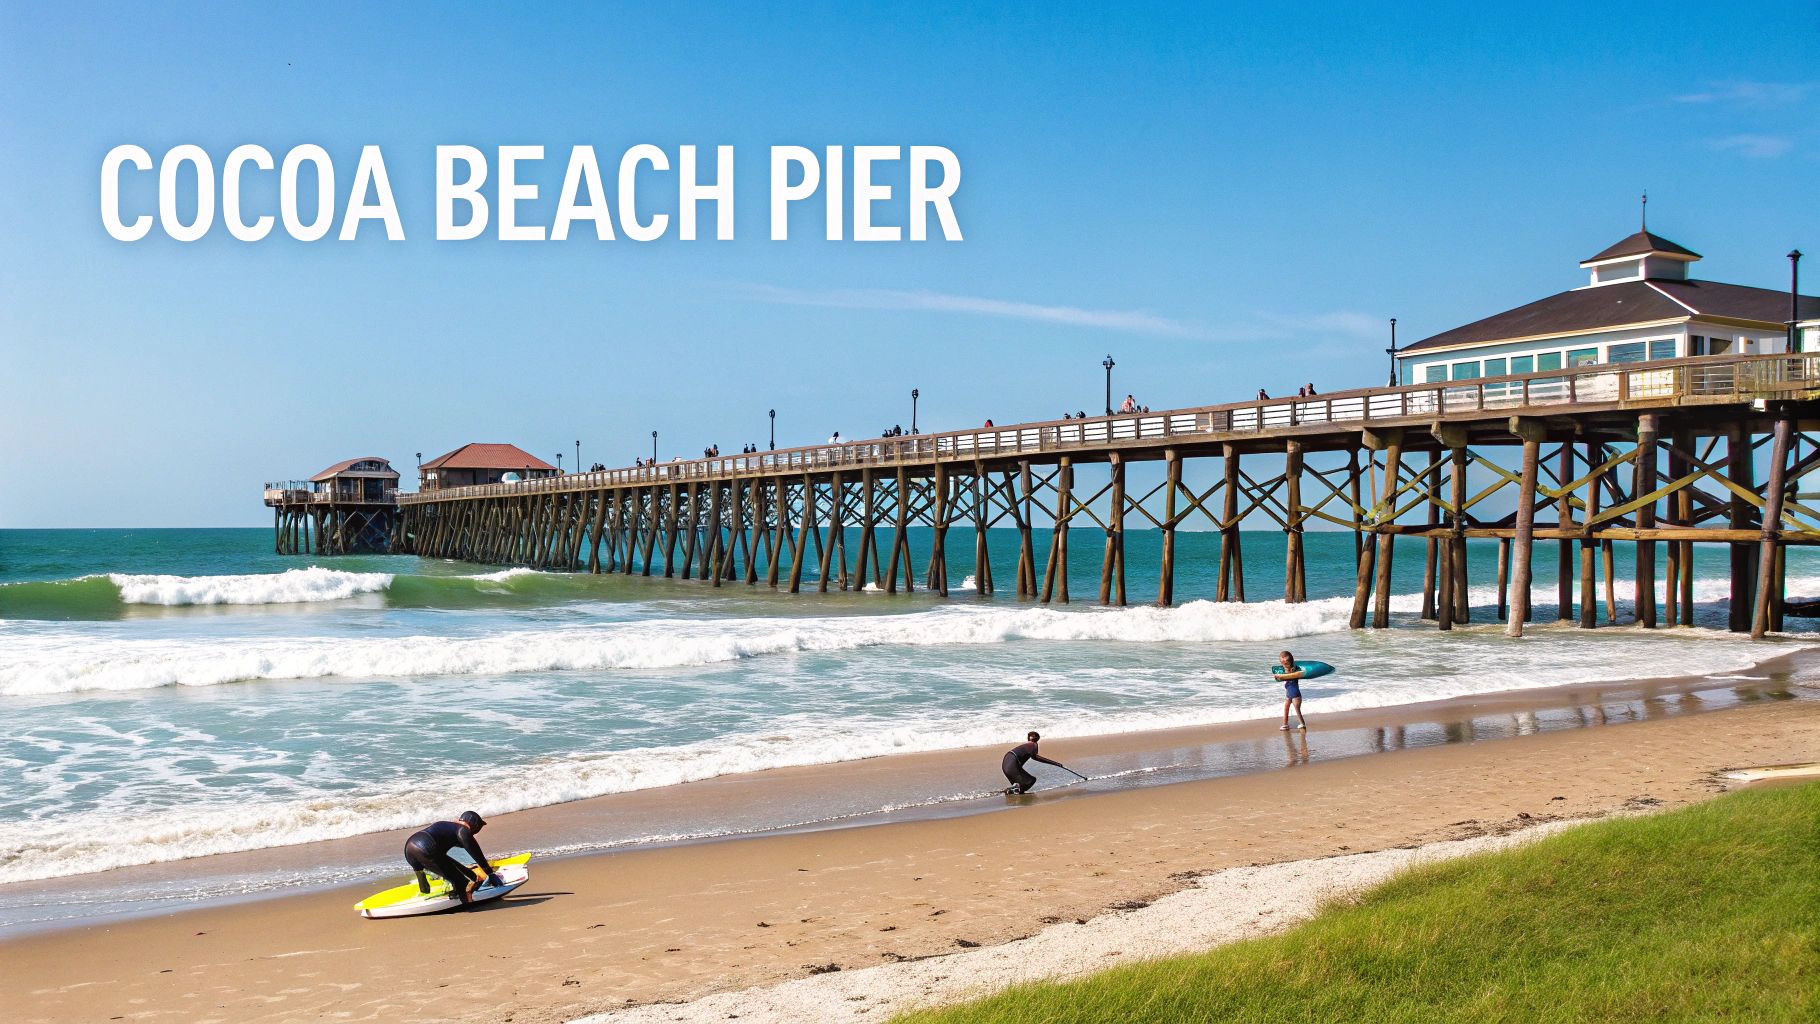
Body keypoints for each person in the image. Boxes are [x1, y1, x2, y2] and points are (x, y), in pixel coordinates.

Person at [404, 811, 500, 906]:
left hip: (410, 848)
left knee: (448, 868)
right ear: (475, 825)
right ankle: (468, 905)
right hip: (425, 847)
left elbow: (450, 863)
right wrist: (490, 873)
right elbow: (475, 852)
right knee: (461, 882)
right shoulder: (463, 830)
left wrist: (473, 876)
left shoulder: (449, 827)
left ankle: (424, 885)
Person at [1001, 731, 1074, 794]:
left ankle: (1013, 791)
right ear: (1037, 739)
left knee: (1022, 782)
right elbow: (1036, 757)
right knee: (1031, 780)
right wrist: (1056, 763)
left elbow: (1032, 757)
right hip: (1011, 763)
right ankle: (1017, 792)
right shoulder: (1033, 745)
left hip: (1006, 763)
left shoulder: (1026, 746)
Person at [1272, 650, 1309, 731]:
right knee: (1286, 708)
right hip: (1289, 694)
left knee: (1297, 710)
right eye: (1282, 663)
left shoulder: (1294, 671)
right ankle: (1285, 724)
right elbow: (1284, 677)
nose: (1284, 667)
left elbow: (1292, 676)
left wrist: (1281, 677)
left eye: (1285, 663)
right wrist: (1279, 677)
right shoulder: (1286, 673)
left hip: (1295, 695)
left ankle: (1302, 724)